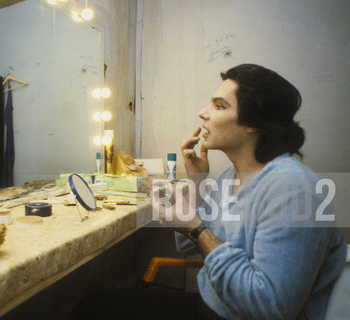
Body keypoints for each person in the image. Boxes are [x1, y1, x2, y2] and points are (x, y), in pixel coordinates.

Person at [74, 64, 347, 320]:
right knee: (93, 305)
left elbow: (271, 308)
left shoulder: (293, 189)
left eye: (219, 106)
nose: (203, 113)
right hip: (214, 304)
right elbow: (189, 247)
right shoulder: (231, 176)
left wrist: (194, 227)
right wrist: (197, 181)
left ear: (254, 123)